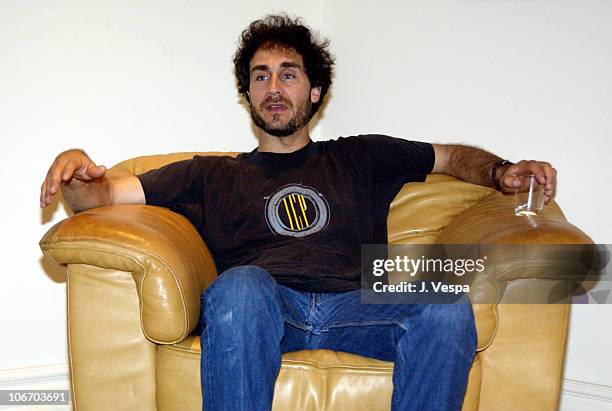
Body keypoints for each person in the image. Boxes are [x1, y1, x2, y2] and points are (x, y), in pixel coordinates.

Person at [40, 14, 557, 411]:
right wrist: (80, 174)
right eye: (260, 77)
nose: (273, 87)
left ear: (313, 91)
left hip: (359, 305)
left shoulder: (363, 155)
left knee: (444, 304)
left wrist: (501, 172)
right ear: (248, 95)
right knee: (240, 285)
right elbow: (104, 198)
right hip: (263, 309)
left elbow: (450, 157)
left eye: (287, 75)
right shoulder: (209, 174)